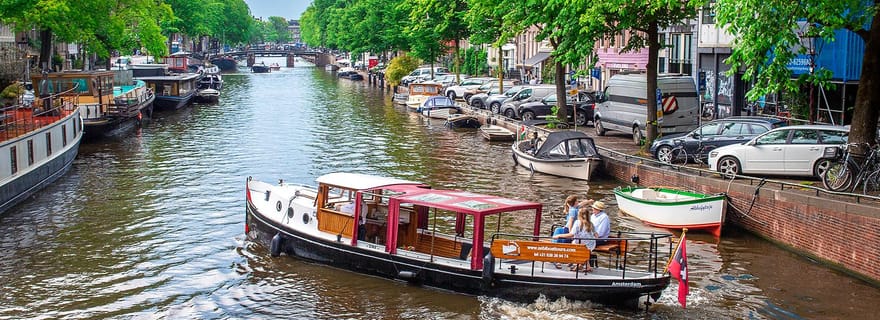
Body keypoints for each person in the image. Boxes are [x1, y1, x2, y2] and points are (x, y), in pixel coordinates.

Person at [552, 207, 598, 273]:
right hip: (590, 245)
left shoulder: (577, 222)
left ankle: (577, 263)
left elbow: (571, 234)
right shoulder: (591, 224)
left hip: (581, 245)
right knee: (579, 245)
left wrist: (559, 236)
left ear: (579, 215)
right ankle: (586, 266)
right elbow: (596, 235)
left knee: (575, 244)